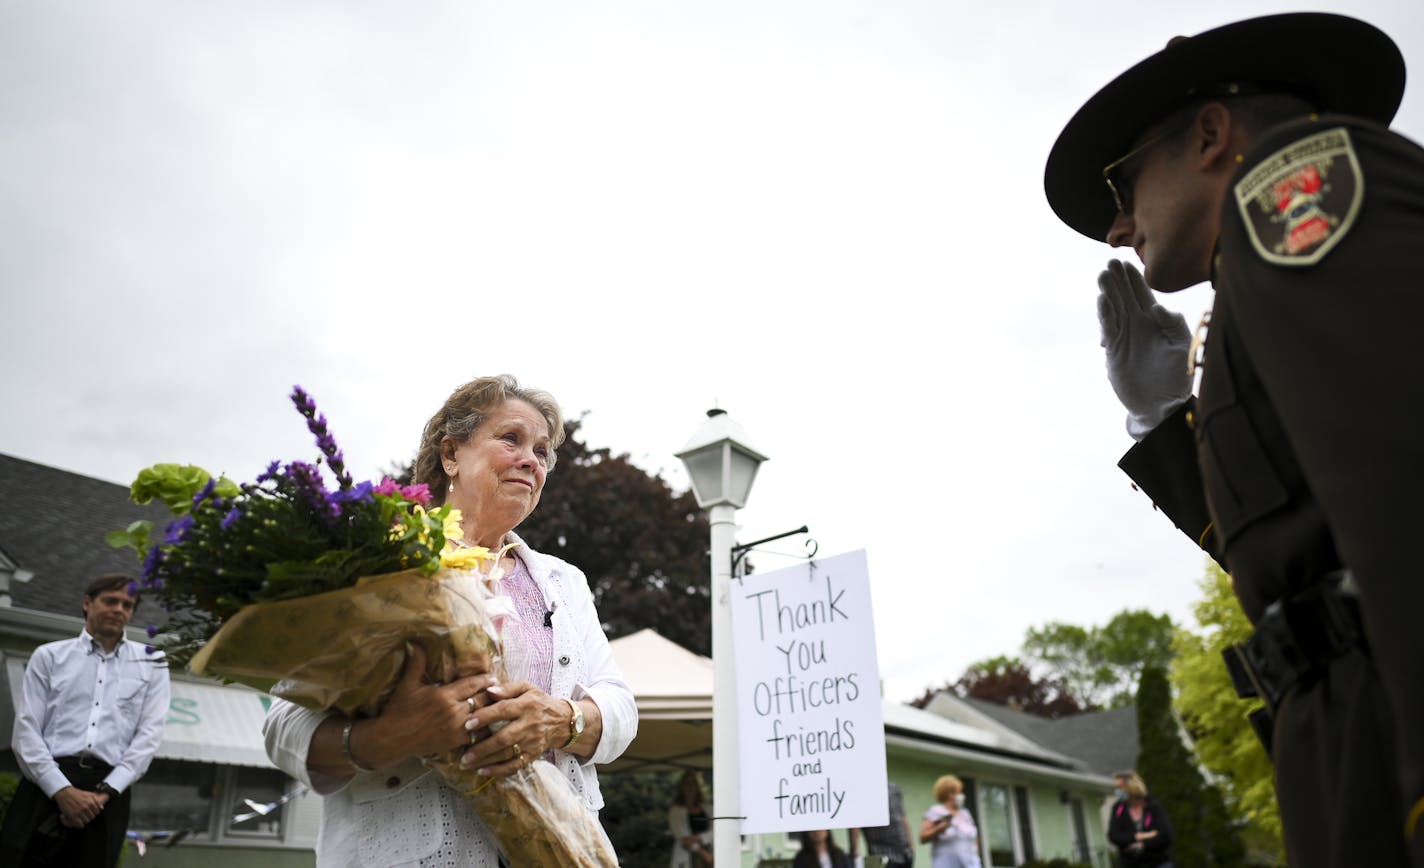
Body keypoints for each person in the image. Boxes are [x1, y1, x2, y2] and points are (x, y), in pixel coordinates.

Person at [1043, 13, 1424, 867]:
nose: (1115, 226)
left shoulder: (1302, 193)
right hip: (1352, 750)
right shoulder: (1253, 277)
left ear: (1211, 134)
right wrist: (1166, 419)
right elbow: (1302, 548)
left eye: (1122, 180)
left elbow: (1409, 492)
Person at [263, 374, 638, 867]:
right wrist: (396, 734)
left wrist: (560, 720)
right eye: (511, 439)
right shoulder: (378, 557)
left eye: (543, 452)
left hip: (559, 848)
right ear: (450, 455)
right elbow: (284, 727)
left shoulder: (564, 581)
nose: (533, 460)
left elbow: (619, 706)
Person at [0, 574, 170, 868]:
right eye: (110, 601)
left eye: (127, 605)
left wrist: (103, 795)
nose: (119, 609)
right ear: (87, 603)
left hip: (108, 791)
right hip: (45, 782)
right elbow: (26, 731)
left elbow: (148, 737)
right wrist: (62, 791)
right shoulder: (49, 656)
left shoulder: (152, 662)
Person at [1106, 772, 1172, 868]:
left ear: (1131, 787)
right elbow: (1114, 836)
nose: (1117, 791)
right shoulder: (1118, 809)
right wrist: (1140, 836)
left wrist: (1143, 845)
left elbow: (1166, 835)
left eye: (1120, 787)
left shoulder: (1153, 805)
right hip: (1130, 864)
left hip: (1158, 863)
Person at [850, 780, 915, 868]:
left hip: (905, 854)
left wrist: (911, 847)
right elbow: (855, 821)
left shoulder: (893, 788)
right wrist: (854, 850)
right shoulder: (860, 790)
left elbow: (903, 818)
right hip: (881, 856)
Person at [919, 775, 980, 868]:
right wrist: (939, 829)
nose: (961, 795)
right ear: (950, 793)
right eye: (959, 792)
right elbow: (923, 837)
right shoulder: (936, 811)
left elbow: (974, 837)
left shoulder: (965, 813)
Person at [668, 769, 713, 867]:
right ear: (681, 787)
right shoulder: (676, 811)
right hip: (688, 858)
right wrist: (704, 854)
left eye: (693, 783)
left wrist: (699, 838)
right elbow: (684, 841)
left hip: (709, 857)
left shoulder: (708, 809)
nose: (690, 786)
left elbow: (717, 831)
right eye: (687, 783)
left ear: (697, 786)